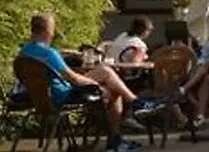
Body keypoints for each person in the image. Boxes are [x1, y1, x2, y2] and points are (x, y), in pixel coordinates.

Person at [14, 13, 145, 152]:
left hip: (40, 97)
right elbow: (73, 78)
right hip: (61, 96)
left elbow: (53, 70)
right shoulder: (49, 53)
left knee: (107, 83)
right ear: (48, 30)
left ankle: (116, 138)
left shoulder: (25, 52)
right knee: (106, 77)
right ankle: (130, 110)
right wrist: (94, 84)